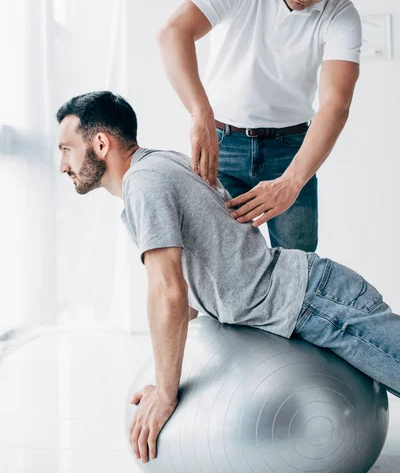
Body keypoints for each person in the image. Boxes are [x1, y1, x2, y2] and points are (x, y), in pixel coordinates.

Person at [57, 92, 399, 466]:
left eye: (67, 149)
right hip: (308, 298)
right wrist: (166, 378)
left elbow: (168, 291)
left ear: (101, 143)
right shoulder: (160, 167)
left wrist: (167, 395)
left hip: (316, 302)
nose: (63, 165)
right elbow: (185, 296)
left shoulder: (145, 184)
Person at [157, 0, 362, 252]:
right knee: (214, 263)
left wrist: (292, 182)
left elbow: (335, 104)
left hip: (291, 151)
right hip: (220, 143)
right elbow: (173, 32)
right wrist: (200, 114)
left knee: (298, 269)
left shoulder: (342, 15)